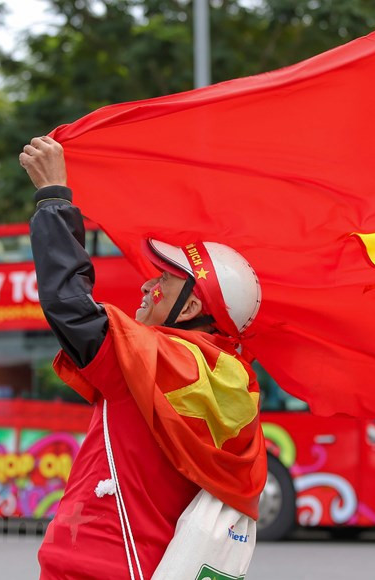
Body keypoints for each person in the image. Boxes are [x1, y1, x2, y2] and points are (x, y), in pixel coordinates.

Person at [20, 135, 268, 580]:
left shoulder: (154, 361)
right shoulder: (229, 378)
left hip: (99, 567)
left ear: (190, 309)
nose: (145, 287)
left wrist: (53, 197)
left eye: (163, 281)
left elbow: (70, 308)